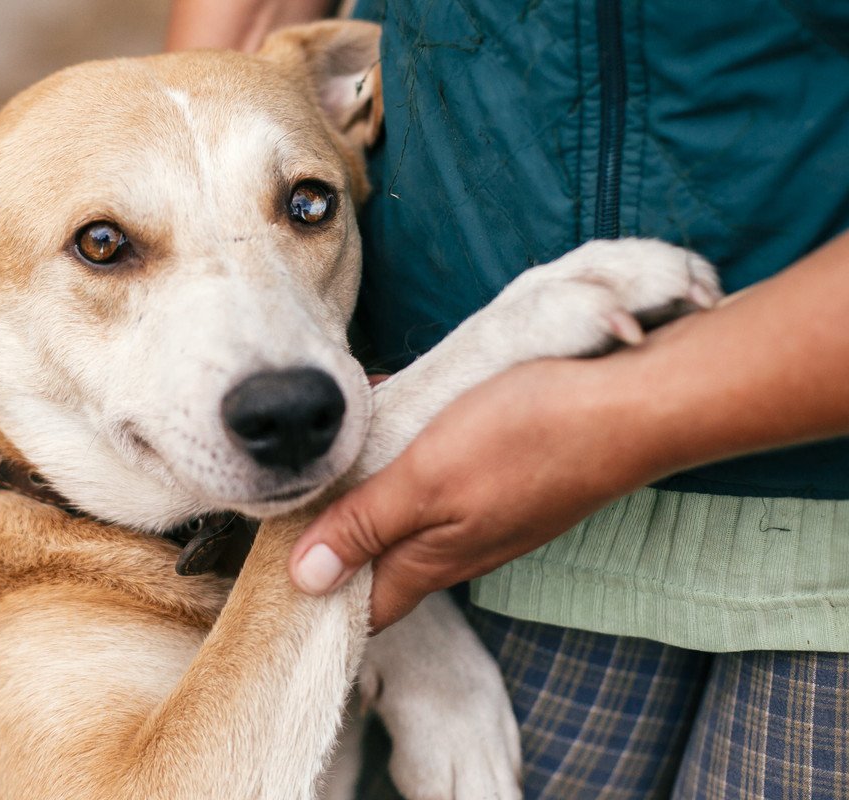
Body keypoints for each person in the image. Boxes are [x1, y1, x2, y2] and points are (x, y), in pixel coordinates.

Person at [167, 2, 849, 797]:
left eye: (304, 207)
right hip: (457, 477)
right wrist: (167, 134)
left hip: (801, 496)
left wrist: (617, 412)